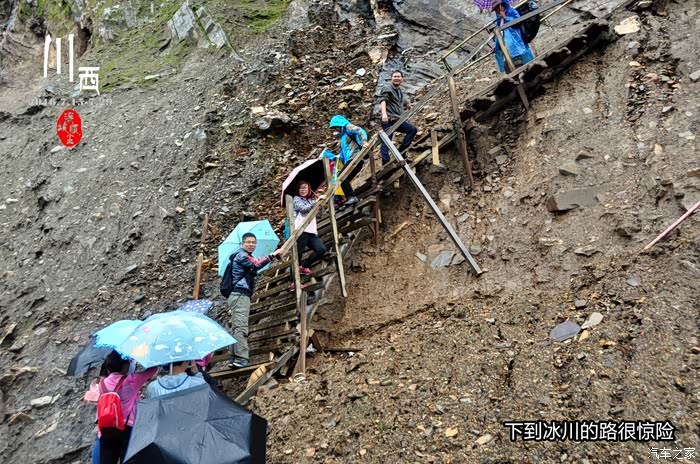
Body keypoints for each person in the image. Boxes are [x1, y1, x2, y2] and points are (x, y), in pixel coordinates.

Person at [226, 233, 282, 369]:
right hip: (240, 294)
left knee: (236, 326)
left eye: (254, 242)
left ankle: (234, 357)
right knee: (241, 326)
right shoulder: (242, 255)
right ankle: (241, 358)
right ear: (242, 243)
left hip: (237, 294)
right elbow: (256, 265)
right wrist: (272, 255)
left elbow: (252, 268)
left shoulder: (242, 256)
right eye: (249, 242)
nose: (252, 245)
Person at [99, 351, 157, 464]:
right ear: (124, 366)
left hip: (106, 430)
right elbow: (152, 370)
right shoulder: (130, 380)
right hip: (127, 429)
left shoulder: (102, 383)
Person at [379, 70, 418, 165]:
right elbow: (383, 101)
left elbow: (404, 102)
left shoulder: (399, 91)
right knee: (387, 139)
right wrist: (384, 115)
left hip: (397, 120)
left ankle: (401, 151)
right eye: (395, 76)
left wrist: (412, 108)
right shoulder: (387, 88)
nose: (397, 78)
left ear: (402, 79)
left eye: (398, 77)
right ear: (391, 78)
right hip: (388, 119)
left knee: (412, 129)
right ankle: (385, 162)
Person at [329, 115, 368, 206]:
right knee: (344, 180)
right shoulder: (342, 137)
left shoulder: (348, 127)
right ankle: (348, 198)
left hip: (355, 158)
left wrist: (364, 142)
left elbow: (359, 130)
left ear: (339, 124)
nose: (336, 129)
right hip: (351, 160)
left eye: (336, 127)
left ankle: (351, 197)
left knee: (341, 177)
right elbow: (344, 153)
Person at [293, 180, 328, 276]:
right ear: (298, 190)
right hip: (301, 231)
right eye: (301, 188)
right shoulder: (296, 199)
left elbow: (318, 215)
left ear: (309, 189)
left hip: (311, 231)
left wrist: (320, 204)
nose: (303, 190)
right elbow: (303, 209)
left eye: (305, 188)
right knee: (298, 255)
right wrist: (316, 201)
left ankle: (304, 267)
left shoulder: (310, 200)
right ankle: (293, 281)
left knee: (321, 249)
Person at [493, 0, 534, 73]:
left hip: (517, 40)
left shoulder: (512, 12)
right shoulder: (499, 19)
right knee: (512, 62)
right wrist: (496, 46)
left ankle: (531, 70)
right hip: (507, 45)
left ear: (503, 5)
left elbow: (518, 22)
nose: (498, 10)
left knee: (525, 59)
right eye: (496, 9)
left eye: (498, 7)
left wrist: (505, 17)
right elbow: (499, 34)